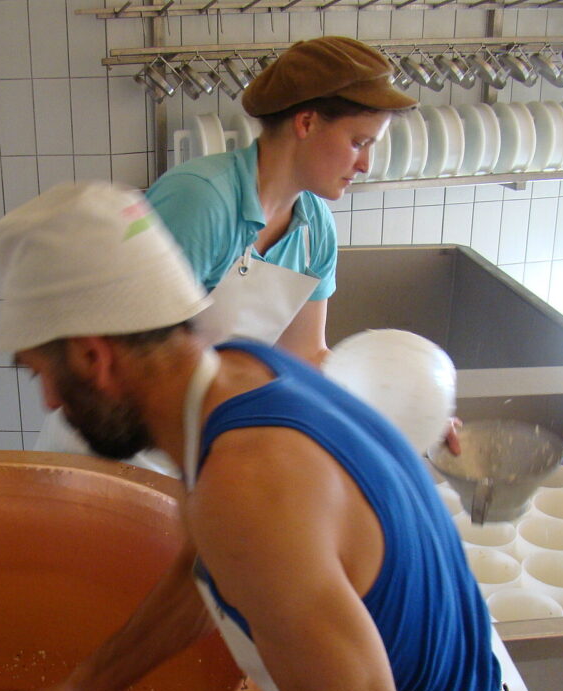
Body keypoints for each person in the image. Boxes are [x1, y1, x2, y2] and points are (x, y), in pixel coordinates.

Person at [0, 181, 562, 691]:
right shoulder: (242, 372)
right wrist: (86, 688)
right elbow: (206, 570)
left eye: (44, 374)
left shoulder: (246, 492)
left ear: (95, 357)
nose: (49, 402)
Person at [33, 36, 422, 464]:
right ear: (306, 123)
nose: (366, 164)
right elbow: (133, 364)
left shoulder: (314, 229)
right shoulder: (201, 201)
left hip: (196, 439)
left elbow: (305, 355)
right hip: (116, 446)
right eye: (358, 142)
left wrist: (401, 418)